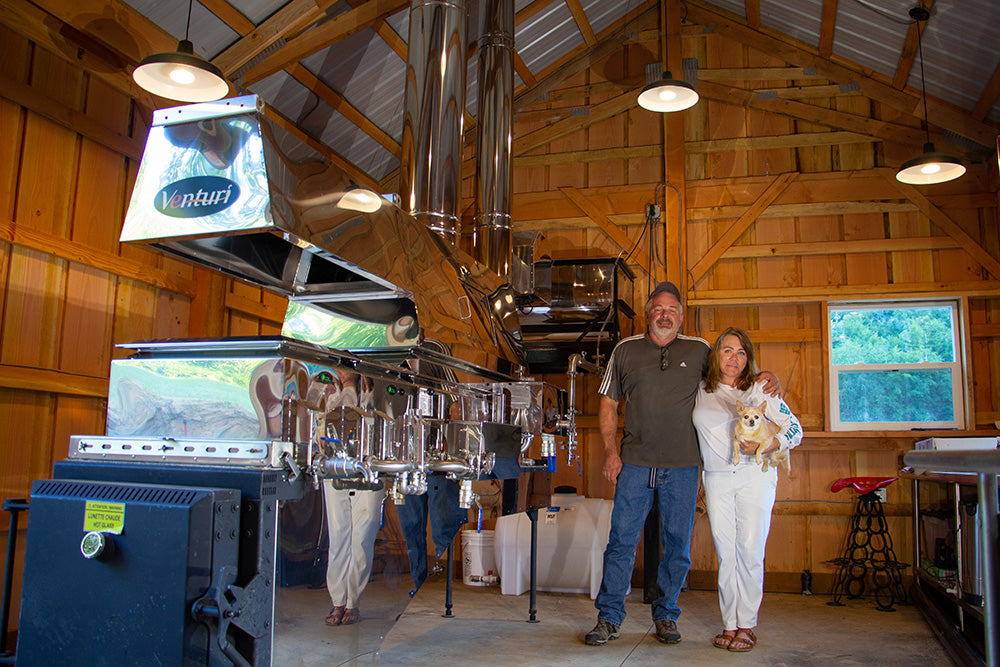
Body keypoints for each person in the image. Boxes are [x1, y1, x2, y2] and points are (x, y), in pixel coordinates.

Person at [585, 282, 778, 647]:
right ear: (648, 313)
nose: (665, 315)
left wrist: (769, 375)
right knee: (621, 542)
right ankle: (609, 617)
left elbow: (733, 372)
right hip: (636, 464)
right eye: (658, 308)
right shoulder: (625, 351)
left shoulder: (700, 350)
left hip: (685, 467)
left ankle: (666, 615)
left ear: (681, 317)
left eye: (672, 310)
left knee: (677, 545)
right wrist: (611, 452)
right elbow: (609, 404)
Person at [692, 327, 802, 652]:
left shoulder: (761, 390)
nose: (733, 358)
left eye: (741, 352)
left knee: (750, 550)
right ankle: (729, 623)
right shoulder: (700, 390)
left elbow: (795, 429)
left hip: (755, 476)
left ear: (748, 358)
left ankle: (747, 625)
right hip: (716, 478)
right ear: (716, 355)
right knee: (725, 553)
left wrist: (769, 448)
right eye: (727, 350)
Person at [322, 482, 386, 625]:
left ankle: (352, 602)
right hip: (336, 464)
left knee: (363, 537)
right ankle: (338, 602)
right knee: (337, 535)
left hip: (369, 465)